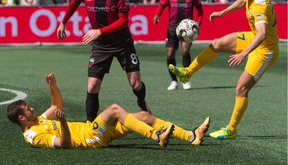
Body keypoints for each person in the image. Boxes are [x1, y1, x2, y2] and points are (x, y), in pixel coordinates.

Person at [169, 0, 279, 139]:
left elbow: (262, 33)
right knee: (217, 43)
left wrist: (243, 54)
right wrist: (223, 12)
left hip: (265, 49)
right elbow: (242, 2)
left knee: (241, 88)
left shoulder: (259, 6)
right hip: (254, 38)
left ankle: (231, 130)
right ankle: (187, 73)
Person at [6, 73, 211, 149]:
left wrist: (53, 87)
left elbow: (55, 106)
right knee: (113, 109)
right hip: (90, 139)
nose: (32, 108)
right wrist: (63, 124)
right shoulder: (33, 135)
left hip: (92, 130)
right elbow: (64, 144)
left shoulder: (38, 121)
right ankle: (156, 136)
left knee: (145, 116)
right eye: (28, 109)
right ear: (22, 118)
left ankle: (191, 136)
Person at [56, 0, 151, 123]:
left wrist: (99, 31)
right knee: (92, 86)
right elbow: (74, 2)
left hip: (123, 43)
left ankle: (142, 103)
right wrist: (63, 22)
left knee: (135, 84)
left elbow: (123, 21)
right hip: (101, 46)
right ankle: (90, 125)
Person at [153, 0, 204, 91]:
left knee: (185, 52)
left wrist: (198, 24)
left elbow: (200, 11)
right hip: (172, 28)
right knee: (170, 54)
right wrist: (157, 15)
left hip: (187, 29)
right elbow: (161, 6)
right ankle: (173, 81)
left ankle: (186, 79)